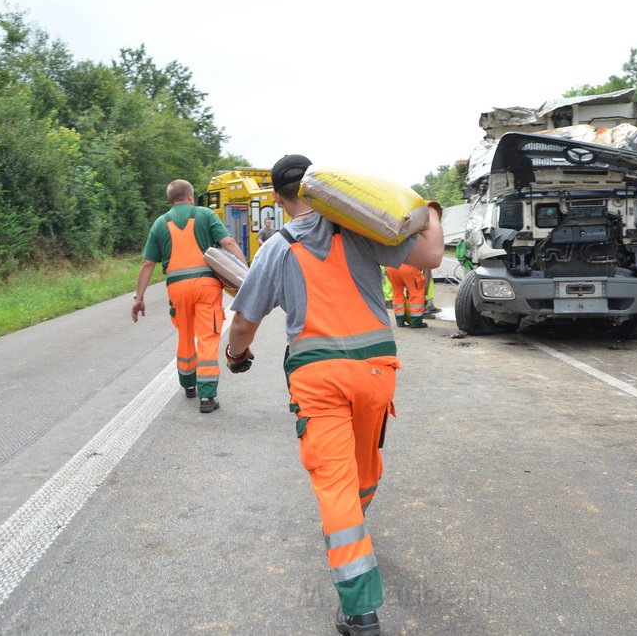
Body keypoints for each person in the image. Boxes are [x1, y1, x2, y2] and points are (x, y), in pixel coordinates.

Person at [225, 154, 443, 635]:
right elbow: (430, 257)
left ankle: (360, 610)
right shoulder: (361, 230)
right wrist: (429, 209)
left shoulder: (276, 248)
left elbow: (243, 323)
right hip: (375, 371)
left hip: (318, 380)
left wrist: (236, 357)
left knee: (336, 488)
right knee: (364, 471)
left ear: (279, 199)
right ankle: (356, 535)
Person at [131, 179, 245, 413]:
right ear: (190, 197)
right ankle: (207, 396)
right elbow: (229, 242)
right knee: (207, 336)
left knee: (185, 335)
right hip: (206, 286)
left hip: (177, 289)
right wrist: (246, 273)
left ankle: (188, 385)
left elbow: (147, 263)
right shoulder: (204, 214)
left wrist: (139, 297)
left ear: (170, 200)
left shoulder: (160, 224)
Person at [385, 263, 428, 328]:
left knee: (397, 293)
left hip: (391, 267)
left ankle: (400, 320)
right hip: (408, 267)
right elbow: (427, 269)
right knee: (416, 293)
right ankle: (416, 321)